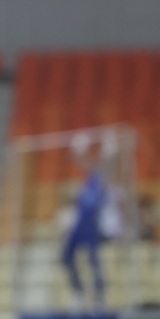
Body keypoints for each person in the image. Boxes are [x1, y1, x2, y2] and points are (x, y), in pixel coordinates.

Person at [61, 133, 108, 310]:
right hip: (79, 224)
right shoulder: (90, 179)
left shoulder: (100, 182)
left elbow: (94, 164)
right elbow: (84, 163)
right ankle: (78, 290)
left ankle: (99, 296)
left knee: (93, 261)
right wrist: (77, 153)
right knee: (66, 256)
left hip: (90, 225)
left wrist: (107, 150)